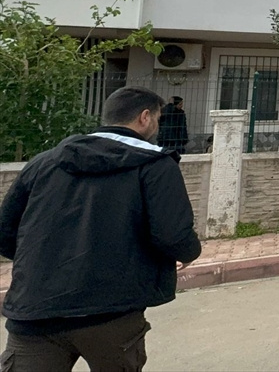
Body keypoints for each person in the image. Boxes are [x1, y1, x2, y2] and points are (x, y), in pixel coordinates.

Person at [0, 86, 202, 371]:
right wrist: (189, 252)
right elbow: (172, 234)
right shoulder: (154, 164)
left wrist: (45, 263)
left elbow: (6, 232)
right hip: (111, 312)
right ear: (145, 117)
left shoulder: (44, 162)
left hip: (35, 310)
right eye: (157, 119)